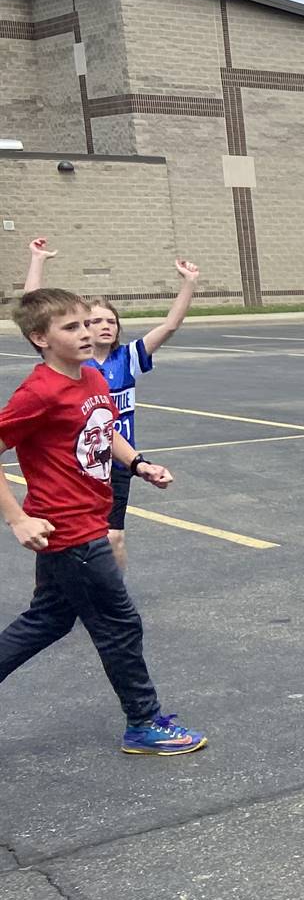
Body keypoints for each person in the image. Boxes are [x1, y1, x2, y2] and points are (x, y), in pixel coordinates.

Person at [0, 287, 207, 754]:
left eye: (87, 324)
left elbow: (105, 430)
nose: (87, 333)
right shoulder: (39, 393)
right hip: (69, 530)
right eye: (71, 327)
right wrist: (17, 519)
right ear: (40, 338)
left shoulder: (92, 379)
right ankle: (144, 722)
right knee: (120, 624)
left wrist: (139, 464)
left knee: (48, 620)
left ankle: (143, 721)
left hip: (87, 518)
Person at [23, 240, 201, 573]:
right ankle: (61, 593)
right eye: (95, 321)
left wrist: (189, 283)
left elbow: (170, 325)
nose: (105, 326)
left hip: (118, 461)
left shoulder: (128, 358)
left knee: (113, 537)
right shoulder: (72, 364)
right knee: (62, 540)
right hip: (76, 466)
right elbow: (36, 312)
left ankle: (111, 596)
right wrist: (37, 261)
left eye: (111, 321)